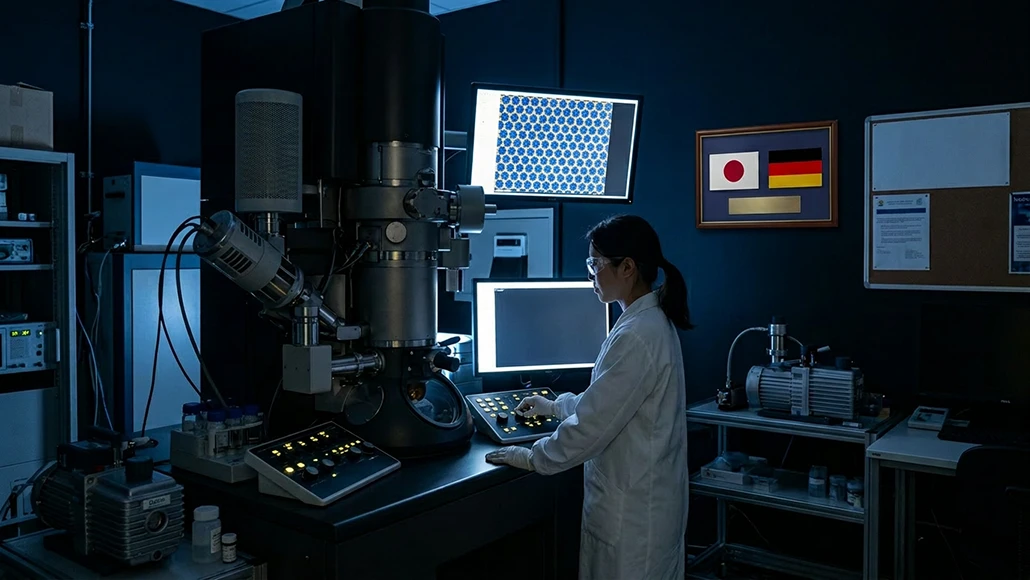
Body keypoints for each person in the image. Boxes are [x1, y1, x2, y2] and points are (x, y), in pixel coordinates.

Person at [485, 214, 692, 580]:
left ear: (627, 267)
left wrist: (534, 457)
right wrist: (555, 405)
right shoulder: (648, 322)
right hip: (645, 507)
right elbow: (610, 404)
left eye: (595, 264)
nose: (590, 274)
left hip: (632, 520)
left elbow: (592, 426)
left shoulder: (637, 335)